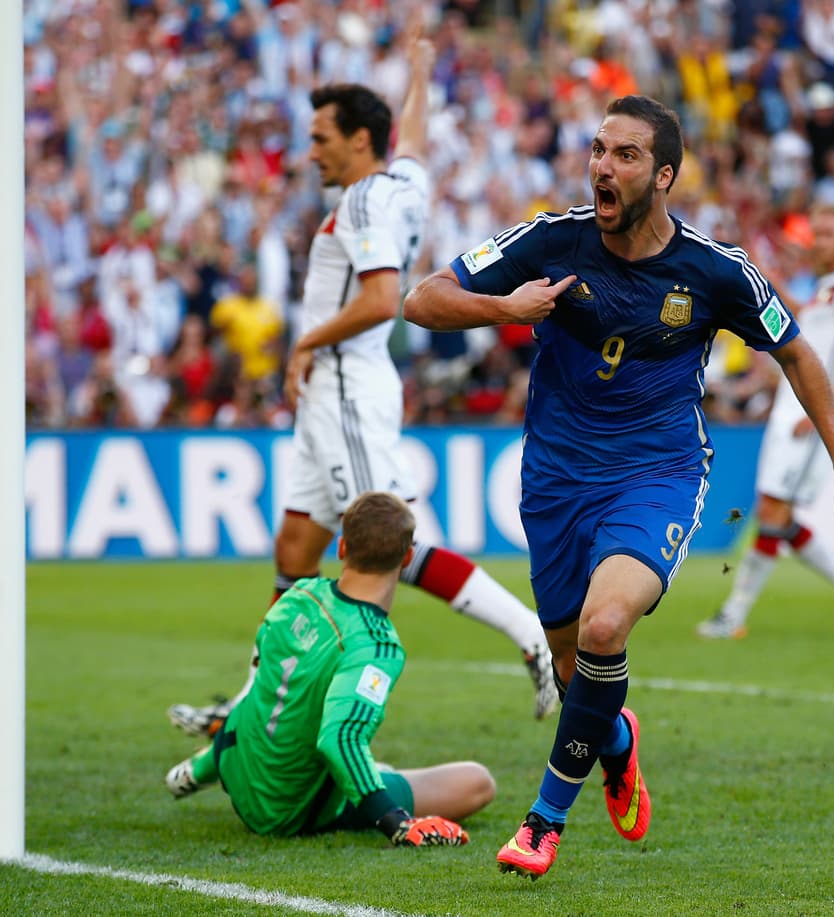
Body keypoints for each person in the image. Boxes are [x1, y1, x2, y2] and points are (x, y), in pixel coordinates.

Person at [403, 95, 834, 879]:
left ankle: (542, 823)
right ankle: (617, 742)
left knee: (604, 625)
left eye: (623, 155)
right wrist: (505, 306)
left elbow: (796, 352)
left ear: (663, 176)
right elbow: (423, 298)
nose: (601, 166)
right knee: (571, 669)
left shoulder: (716, 271)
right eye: (597, 149)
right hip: (555, 478)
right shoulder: (553, 240)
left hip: (657, 473)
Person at [167, 33, 556, 734]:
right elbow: (412, 140)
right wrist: (419, 71)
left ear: (356, 141)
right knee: (294, 547)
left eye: (321, 137)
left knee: (390, 547)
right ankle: (252, 710)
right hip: (332, 395)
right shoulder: (398, 184)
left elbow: (383, 298)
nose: (310, 150)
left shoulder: (363, 205)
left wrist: (304, 344)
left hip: (346, 384)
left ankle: (533, 635)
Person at [165, 491, 494, 846]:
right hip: (286, 810)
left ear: (341, 548)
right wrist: (395, 821)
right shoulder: (374, 645)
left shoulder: (299, 595)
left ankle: (201, 767)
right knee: (477, 782)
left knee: (277, 691)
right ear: (407, 558)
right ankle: (360, 786)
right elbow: (338, 739)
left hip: (239, 769)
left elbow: (262, 679)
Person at [698, 204, 834, 641]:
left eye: (827, 234)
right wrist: (763, 273)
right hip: (792, 411)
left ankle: (734, 613)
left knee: (772, 511)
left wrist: (824, 413)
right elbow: (802, 318)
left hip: (811, 416)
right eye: (814, 234)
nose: (817, 242)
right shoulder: (828, 288)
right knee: (775, 514)